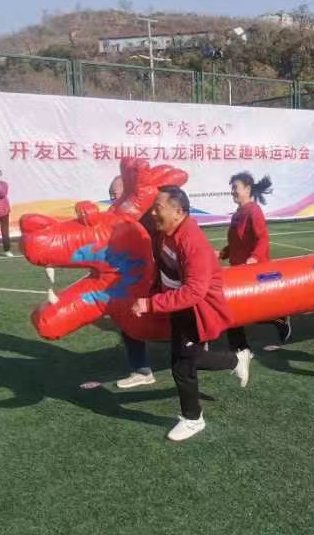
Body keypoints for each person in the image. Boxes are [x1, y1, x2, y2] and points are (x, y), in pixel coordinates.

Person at [131, 186, 252, 442]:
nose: (153, 213)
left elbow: (194, 292)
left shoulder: (192, 241)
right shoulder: (166, 233)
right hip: (178, 305)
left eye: (158, 208)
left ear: (178, 212)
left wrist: (151, 304)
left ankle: (193, 419)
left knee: (182, 365)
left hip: (195, 309)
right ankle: (236, 360)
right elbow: (164, 268)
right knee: (187, 358)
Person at [219, 172, 292, 350]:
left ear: (247, 189)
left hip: (253, 271)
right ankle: (241, 347)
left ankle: (242, 347)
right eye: (232, 188)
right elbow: (236, 242)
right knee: (234, 309)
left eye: (235, 187)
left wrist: (254, 258)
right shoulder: (237, 214)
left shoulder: (254, 211)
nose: (232, 191)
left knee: (238, 309)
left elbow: (263, 238)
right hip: (237, 269)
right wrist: (222, 253)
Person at [107, 174, 157, 389]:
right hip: (135, 277)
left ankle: (142, 369)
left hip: (150, 276)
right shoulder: (119, 215)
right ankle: (141, 368)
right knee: (129, 320)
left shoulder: (145, 215)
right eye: (110, 194)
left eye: (114, 193)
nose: (112, 198)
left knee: (133, 319)